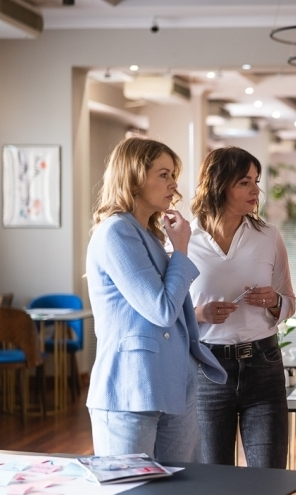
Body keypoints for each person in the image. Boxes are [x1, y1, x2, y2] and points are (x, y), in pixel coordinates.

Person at [86, 137, 226, 462]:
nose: (174, 184)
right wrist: (181, 250)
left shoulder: (147, 233)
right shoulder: (115, 232)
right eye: (164, 174)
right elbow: (161, 309)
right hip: (129, 389)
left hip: (172, 385)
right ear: (134, 177)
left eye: (173, 174)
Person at [188, 147, 295, 495]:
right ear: (219, 185)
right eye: (245, 182)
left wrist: (274, 301)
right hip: (207, 370)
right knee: (212, 488)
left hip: (263, 366)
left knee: (269, 487)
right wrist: (199, 313)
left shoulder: (268, 235)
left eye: (257, 182)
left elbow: (289, 301)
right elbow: (168, 308)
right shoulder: (181, 238)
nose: (255, 191)